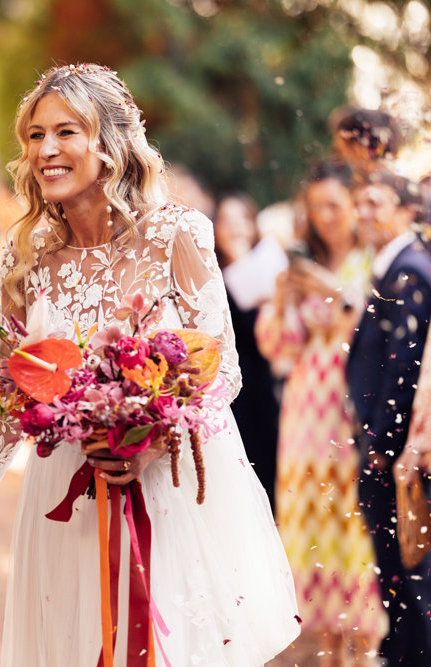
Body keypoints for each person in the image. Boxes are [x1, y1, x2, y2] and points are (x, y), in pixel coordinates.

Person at [0, 63, 299, 666]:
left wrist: (148, 437)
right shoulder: (25, 254)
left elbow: (223, 371)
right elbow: (7, 401)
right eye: (35, 135)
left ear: (110, 143)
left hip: (164, 489)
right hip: (65, 493)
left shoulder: (177, 234)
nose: (46, 150)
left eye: (66, 131)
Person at [254, 161, 385, 664]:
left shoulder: (373, 262)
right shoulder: (298, 265)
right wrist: (287, 298)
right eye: (317, 206)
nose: (326, 216)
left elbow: (380, 333)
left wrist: (331, 290)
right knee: (311, 517)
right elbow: (278, 348)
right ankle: (328, 646)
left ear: (354, 204)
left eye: (335, 204)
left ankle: (366, 643)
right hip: (307, 406)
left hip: (356, 402)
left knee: (355, 516)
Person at [347, 170, 431, 664]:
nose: (364, 213)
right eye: (361, 203)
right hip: (382, 438)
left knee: (407, 563)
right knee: (392, 564)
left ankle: (411, 654)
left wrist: (383, 446)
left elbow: (404, 368)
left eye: (375, 203)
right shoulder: (392, 267)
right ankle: (399, 649)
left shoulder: (412, 269)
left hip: (397, 447)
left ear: (407, 211)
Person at [213, 192, 282, 510]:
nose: (236, 228)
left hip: (262, 386)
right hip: (226, 390)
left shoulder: (269, 269)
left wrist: (245, 267)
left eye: (243, 219)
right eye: (227, 221)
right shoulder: (209, 273)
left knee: (266, 467)